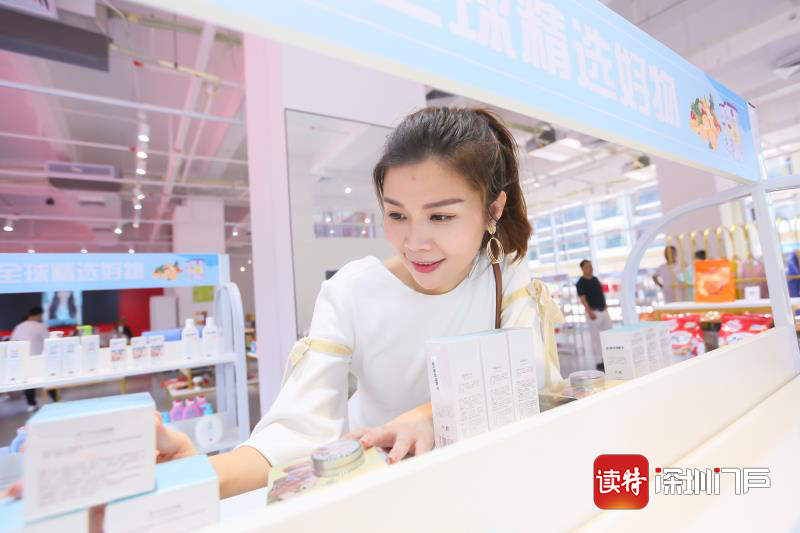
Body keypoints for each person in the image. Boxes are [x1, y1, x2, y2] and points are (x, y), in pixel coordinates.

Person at [155, 107, 562, 498]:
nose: (415, 243)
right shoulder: (352, 291)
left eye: (440, 217)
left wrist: (429, 417)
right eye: (397, 215)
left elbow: (531, 377)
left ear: (493, 209)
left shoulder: (504, 272)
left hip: (481, 482)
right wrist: (197, 473)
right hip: (384, 493)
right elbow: (298, 431)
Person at [10, 306, 56, 411]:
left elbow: (13, 343)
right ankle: (55, 399)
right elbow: (49, 342)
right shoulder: (40, 326)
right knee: (48, 380)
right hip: (40, 359)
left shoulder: (19, 327)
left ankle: (31, 404)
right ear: (39, 315)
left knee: (29, 382)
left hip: (24, 359)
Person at [575, 260, 612, 369]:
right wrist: (589, 312)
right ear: (582, 268)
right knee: (596, 338)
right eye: (587, 266)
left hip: (603, 310)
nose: (590, 268)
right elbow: (583, 299)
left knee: (608, 335)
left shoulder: (595, 279)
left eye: (591, 266)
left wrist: (605, 306)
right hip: (593, 313)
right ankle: (599, 361)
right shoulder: (580, 283)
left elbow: (601, 294)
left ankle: (609, 358)